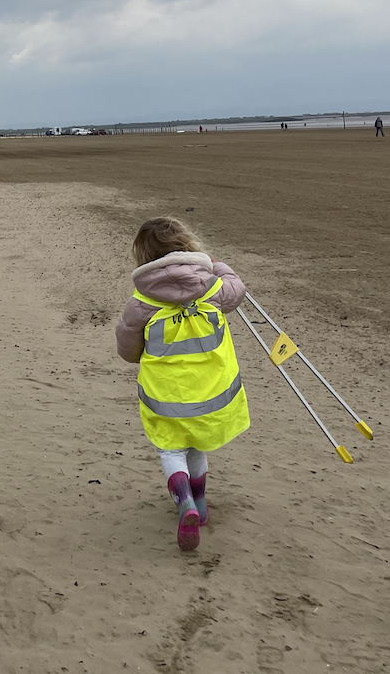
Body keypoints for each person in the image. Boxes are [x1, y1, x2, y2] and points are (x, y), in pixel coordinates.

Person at [115, 216, 249, 551]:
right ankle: (199, 504)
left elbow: (127, 347)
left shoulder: (141, 303)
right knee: (196, 441)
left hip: (166, 394)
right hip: (208, 392)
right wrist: (220, 267)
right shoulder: (213, 289)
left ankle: (185, 500)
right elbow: (237, 290)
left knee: (170, 447)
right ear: (188, 246)